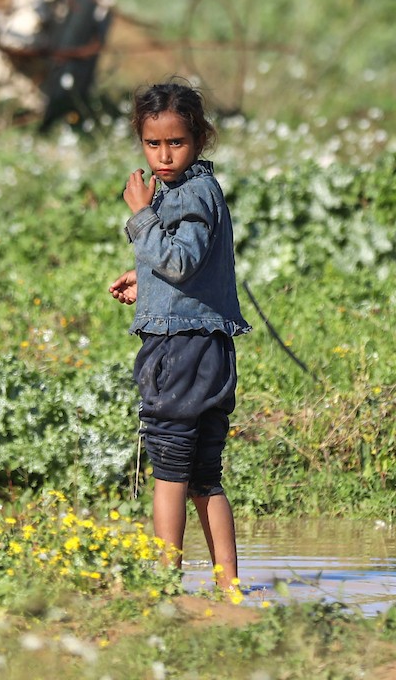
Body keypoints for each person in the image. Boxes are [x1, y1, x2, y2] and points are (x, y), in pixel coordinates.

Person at [108, 79, 251, 590]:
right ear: (141, 141)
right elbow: (185, 270)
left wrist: (142, 216)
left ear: (200, 138)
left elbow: (180, 258)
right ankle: (229, 587)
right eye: (153, 144)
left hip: (181, 351)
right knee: (203, 477)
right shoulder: (199, 189)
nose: (164, 156)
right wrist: (142, 279)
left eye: (177, 143)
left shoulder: (185, 195)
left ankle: (163, 588)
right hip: (209, 347)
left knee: (169, 471)